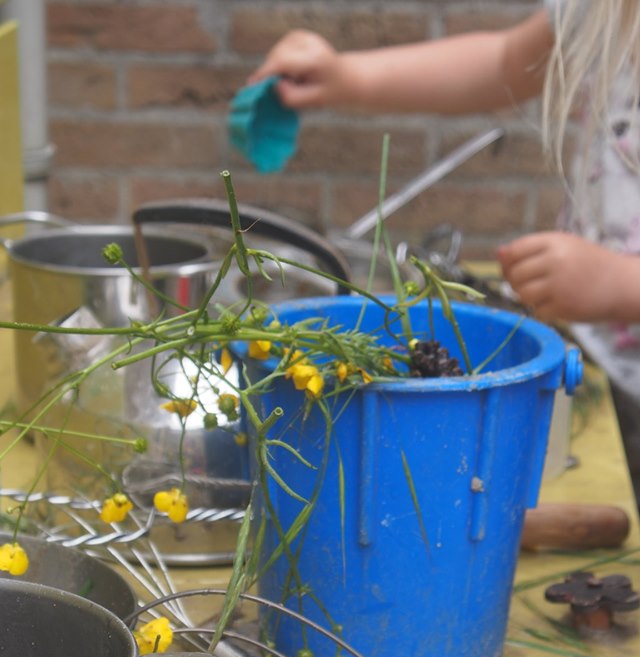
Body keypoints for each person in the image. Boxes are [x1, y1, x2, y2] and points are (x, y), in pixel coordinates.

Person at [247, 1, 640, 497]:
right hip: (597, 369)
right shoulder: (605, 9)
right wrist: (349, 77)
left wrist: (621, 284)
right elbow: (504, 63)